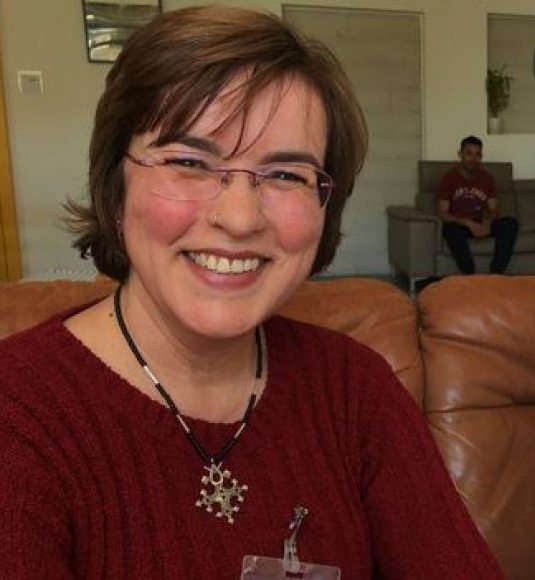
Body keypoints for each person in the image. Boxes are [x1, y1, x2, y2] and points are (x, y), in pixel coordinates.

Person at [0, 7, 503, 579]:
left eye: (286, 174)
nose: (239, 218)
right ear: (115, 187)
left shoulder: (357, 391)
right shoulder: (15, 415)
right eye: (188, 161)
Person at [437, 136, 518, 274]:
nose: (473, 159)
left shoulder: (487, 178)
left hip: (481, 222)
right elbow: (442, 213)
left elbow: (493, 208)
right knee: (450, 229)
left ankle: (496, 274)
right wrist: (468, 223)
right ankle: (470, 275)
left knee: (511, 223)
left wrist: (487, 223)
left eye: (477, 155)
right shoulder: (449, 178)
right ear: (460, 155)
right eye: (469, 154)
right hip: (459, 224)